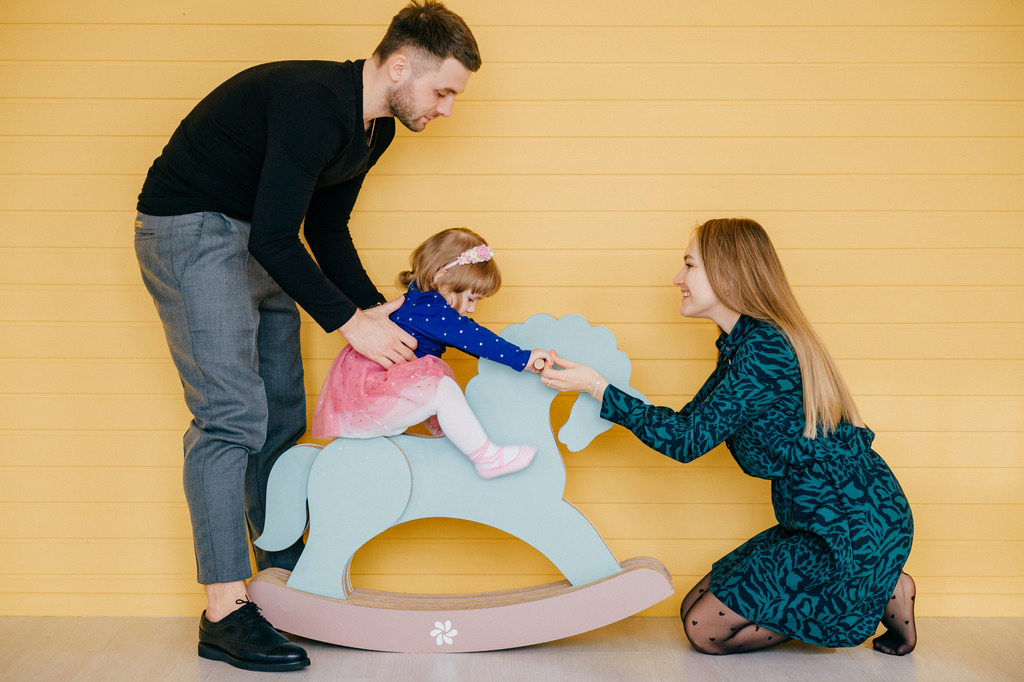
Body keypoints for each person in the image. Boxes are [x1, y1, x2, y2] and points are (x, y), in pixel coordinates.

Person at [132, 1, 480, 672]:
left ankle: (285, 582)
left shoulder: (375, 131)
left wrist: (376, 311)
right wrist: (350, 324)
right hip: (194, 230)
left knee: (283, 413)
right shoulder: (312, 102)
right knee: (230, 416)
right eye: (443, 91)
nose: (446, 109)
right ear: (400, 65)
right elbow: (273, 235)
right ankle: (226, 611)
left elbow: (322, 230)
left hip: (260, 240)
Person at [540, 218, 916, 656]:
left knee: (705, 630)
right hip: (812, 519)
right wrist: (598, 385)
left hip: (850, 525)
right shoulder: (742, 344)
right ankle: (883, 584)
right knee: (692, 608)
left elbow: (685, 443)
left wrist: (596, 387)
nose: (677, 279)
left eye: (689, 265)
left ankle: (880, 585)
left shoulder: (765, 349)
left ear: (727, 272)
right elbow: (687, 425)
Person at [312, 228, 550, 478]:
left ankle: (450, 433)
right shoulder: (431, 308)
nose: (471, 310)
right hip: (369, 399)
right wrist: (522, 358)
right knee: (441, 387)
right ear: (442, 277)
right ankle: (487, 458)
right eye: (470, 299)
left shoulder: (419, 302)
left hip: (359, 398)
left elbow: (466, 341)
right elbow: (475, 338)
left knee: (428, 382)